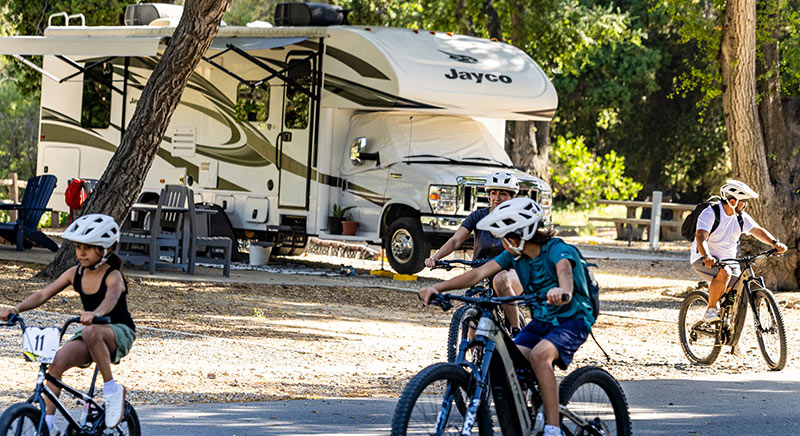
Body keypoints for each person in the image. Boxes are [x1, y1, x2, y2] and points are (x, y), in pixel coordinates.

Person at [419, 198, 595, 436]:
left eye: (503, 238)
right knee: (509, 362)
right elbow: (477, 274)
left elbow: (565, 273)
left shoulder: (557, 250)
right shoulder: (514, 256)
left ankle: (553, 429)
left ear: (516, 238)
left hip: (572, 320)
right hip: (542, 323)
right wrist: (437, 288)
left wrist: (562, 291)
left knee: (540, 354)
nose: (501, 244)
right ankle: (526, 419)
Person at [0, 214, 135, 434]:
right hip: (91, 332)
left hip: (118, 332)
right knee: (55, 365)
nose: (81, 252)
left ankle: (111, 389)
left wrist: (96, 313)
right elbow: (43, 293)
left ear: (106, 249)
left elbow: (110, 299)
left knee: (90, 331)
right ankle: (49, 428)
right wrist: (15, 309)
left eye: (89, 248)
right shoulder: (75, 273)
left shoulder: (113, 276)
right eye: (78, 247)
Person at [424, 170, 526, 333]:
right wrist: (435, 257)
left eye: (503, 194)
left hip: (511, 271)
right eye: (493, 193)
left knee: (500, 280)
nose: (497, 198)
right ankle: (473, 354)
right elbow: (456, 240)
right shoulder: (478, 217)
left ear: (512, 197)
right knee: (475, 305)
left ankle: (516, 330)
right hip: (482, 271)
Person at [692, 180, 787, 322]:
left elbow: (757, 231)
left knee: (737, 289)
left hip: (730, 261)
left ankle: (728, 330)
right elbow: (701, 236)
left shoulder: (741, 217)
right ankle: (711, 310)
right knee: (725, 273)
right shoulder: (711, 213)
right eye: (743, 201)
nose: (746, 205)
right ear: (732, 201)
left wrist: (775, 243)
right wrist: (706, 255)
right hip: (704, 259)